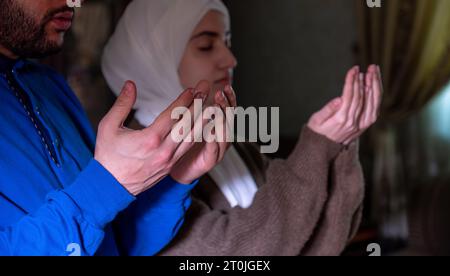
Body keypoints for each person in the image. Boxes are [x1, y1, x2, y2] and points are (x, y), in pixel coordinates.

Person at [102, 0, 383, 256]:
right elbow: (234, 254)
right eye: (206, 46)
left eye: (227, 42)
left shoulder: (227, 141)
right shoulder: (140, 160)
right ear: (155, 59)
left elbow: (317, 240)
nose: (230, 60)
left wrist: (340, 147)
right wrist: (317, 147)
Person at [0, 0, 230, 256]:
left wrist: (177, 178)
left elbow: (119, 245)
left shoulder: (48, 85)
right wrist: (104, 187)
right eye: (205, 45)